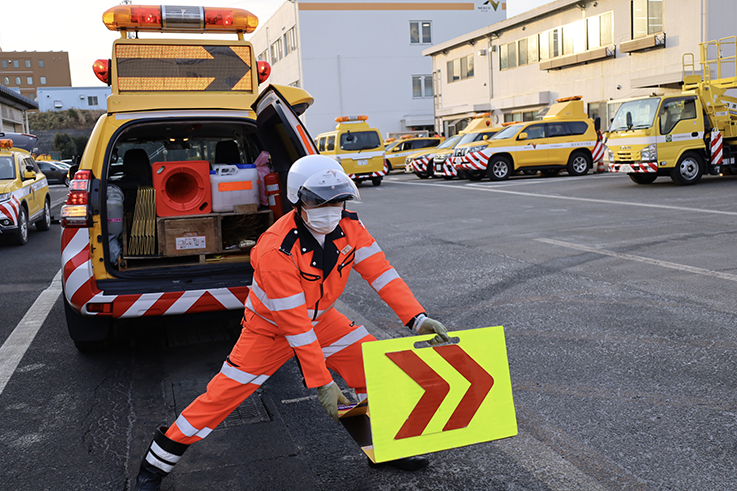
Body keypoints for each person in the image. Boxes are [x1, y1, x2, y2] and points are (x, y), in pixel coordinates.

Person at [134, 154, 451, 490]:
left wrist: (416, 318)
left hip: (323, 321)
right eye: (319, 200)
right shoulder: (276, 250)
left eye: (338, 199)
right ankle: (153, 467)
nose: (331, 208)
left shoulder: (350, 228)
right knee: (220, 399)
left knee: (371, 368)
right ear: (299, 199)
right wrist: (321, 380)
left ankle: (381, 448)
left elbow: (382, 273)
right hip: (268, 333)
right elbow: (294, 323)